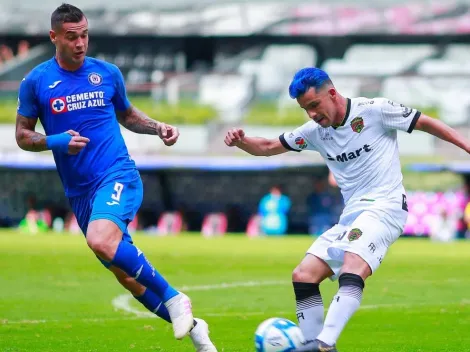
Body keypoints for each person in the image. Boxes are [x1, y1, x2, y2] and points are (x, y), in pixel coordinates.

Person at [224, 67, 470, 351]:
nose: (312, 115)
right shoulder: (315, 132)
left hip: (386, 206)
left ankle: (323, 344)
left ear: (332, 93)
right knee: (303, 275)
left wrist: (466, 145)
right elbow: (267, 146)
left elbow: (425, 122)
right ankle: (313, 342)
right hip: (352, 215)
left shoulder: (375, 110)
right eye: (306, 109)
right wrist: (241, 141)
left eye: (314, 105)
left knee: (353, 267)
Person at [15, 4, 216, 351]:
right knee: (125, 276)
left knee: (101, 240)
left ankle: (174, 297)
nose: (80, 43)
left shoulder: (106, 73)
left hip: (116, 174)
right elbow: (22, 135)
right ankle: (198, 331)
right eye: (72, 37)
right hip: (80, 192)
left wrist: (158, 127)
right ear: (54, 37)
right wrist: (55, 141)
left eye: (85, 35)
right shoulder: (35, 82)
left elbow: (128, 114)